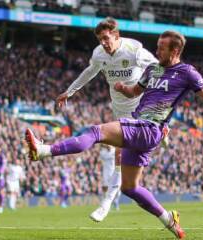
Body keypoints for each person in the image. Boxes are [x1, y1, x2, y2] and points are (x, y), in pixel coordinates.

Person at [26, 30, 203, 239]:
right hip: (142, 127)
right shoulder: (153, 69)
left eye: (162, 48)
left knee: (96, 132)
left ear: (175, 52)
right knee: (130, 187)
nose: (157, 51)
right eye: (157, 46)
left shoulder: (187, 73)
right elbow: (135, 91)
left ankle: (44, 151)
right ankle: (169, 220)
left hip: (150, 128)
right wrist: (123, 88)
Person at [56, 17, 158, 222]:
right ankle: (112, 201)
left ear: (116, 35)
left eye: (106, 38)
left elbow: (158, 68)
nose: (103, 43)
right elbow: (89, 72)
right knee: (122, 162)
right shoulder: (99, 54)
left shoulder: (134, 50)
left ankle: (106, 203)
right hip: (120, 109)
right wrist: (70, 91)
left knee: (121, 157)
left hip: (142, 109)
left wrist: (153, 94)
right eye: (100, 39)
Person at [99, 144, 120, 210]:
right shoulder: (102, 152)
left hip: (114, 171)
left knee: (116, 188)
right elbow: (102, 157)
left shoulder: (115, 150)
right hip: (106, 172)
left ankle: (116, 201)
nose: (107, 145)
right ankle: (106, 203)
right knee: (105, 188)